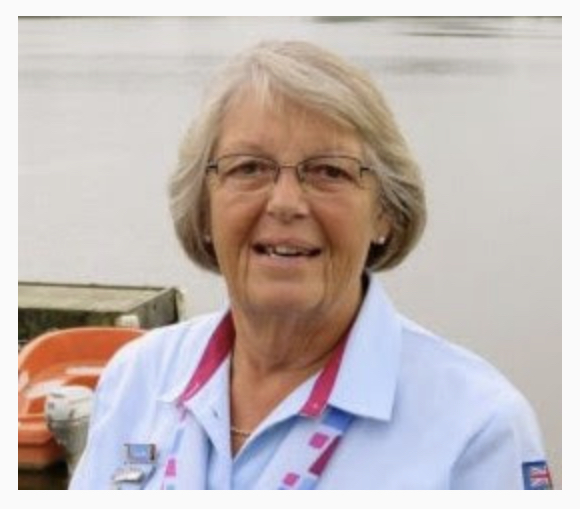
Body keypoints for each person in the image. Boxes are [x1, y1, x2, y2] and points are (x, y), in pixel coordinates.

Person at [69, 40, 552, 490]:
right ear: (203, 206)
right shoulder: (138, 379)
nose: (285, 203)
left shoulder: (478, 427)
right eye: (249, 168)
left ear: (384, 213)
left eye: (328, 172)